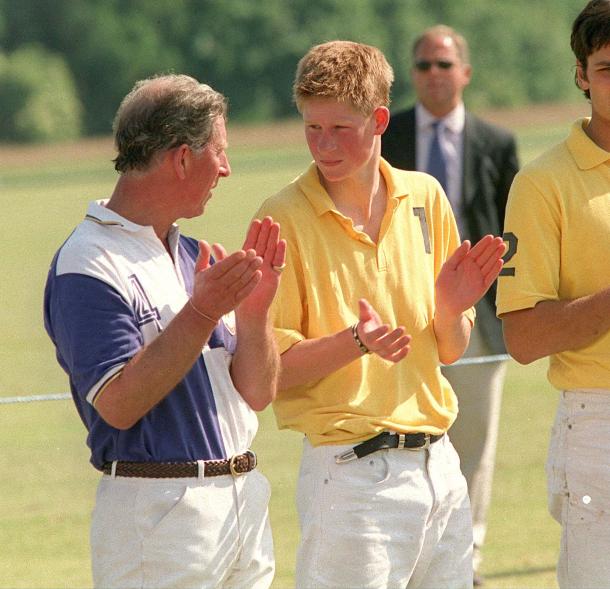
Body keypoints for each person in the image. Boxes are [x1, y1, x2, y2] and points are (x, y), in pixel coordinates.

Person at [256, 40, 506, 589]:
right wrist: (355, 341)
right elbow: (267, 373)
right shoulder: (281, 218)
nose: (323, 145)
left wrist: (449, 309)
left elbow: (451, 348)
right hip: (350, 480)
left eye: (340, 128)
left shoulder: (425, 196)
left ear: (379, 120)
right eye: (311, 128)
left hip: (440, 469)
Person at [43, 74, 286, 589]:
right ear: (181, 157)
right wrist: (201, 313)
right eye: (219, 151)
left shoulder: (195, 255)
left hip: (242, 506)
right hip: (159, 520)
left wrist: (255, 313)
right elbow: (119, 403)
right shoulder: (87, 263)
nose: (226, 167)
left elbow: (259, 394)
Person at [381, 25, 519, 583]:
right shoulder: (388, 138)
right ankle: (410, 555)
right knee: (403, 436)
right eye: (423, 65)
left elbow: (514, 231)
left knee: (473, 442)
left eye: (444, 64)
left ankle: (470, 560)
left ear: (465, 71)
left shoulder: (496, 141)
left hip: (478, 320)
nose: (433, 75)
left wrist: (507, 301)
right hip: (400, 315)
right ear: (411, 75)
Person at [496, 2, 610, 587]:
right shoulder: (542, 183)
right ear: (581, 74)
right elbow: (524, 337)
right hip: (598, 421)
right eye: (609, 68)